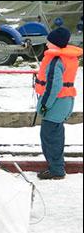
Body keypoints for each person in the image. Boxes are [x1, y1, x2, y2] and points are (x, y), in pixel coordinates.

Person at [35, 27, 83, 180]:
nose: (47, 44)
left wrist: (44, 105)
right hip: (65, 102)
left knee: (49, 137)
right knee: (55, 135)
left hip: (56, 104)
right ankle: (57, 166)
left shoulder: (56, 61)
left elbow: (53, 87)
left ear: (55, 43)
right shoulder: (68, 58)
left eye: (49, 41)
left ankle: (56, 170)